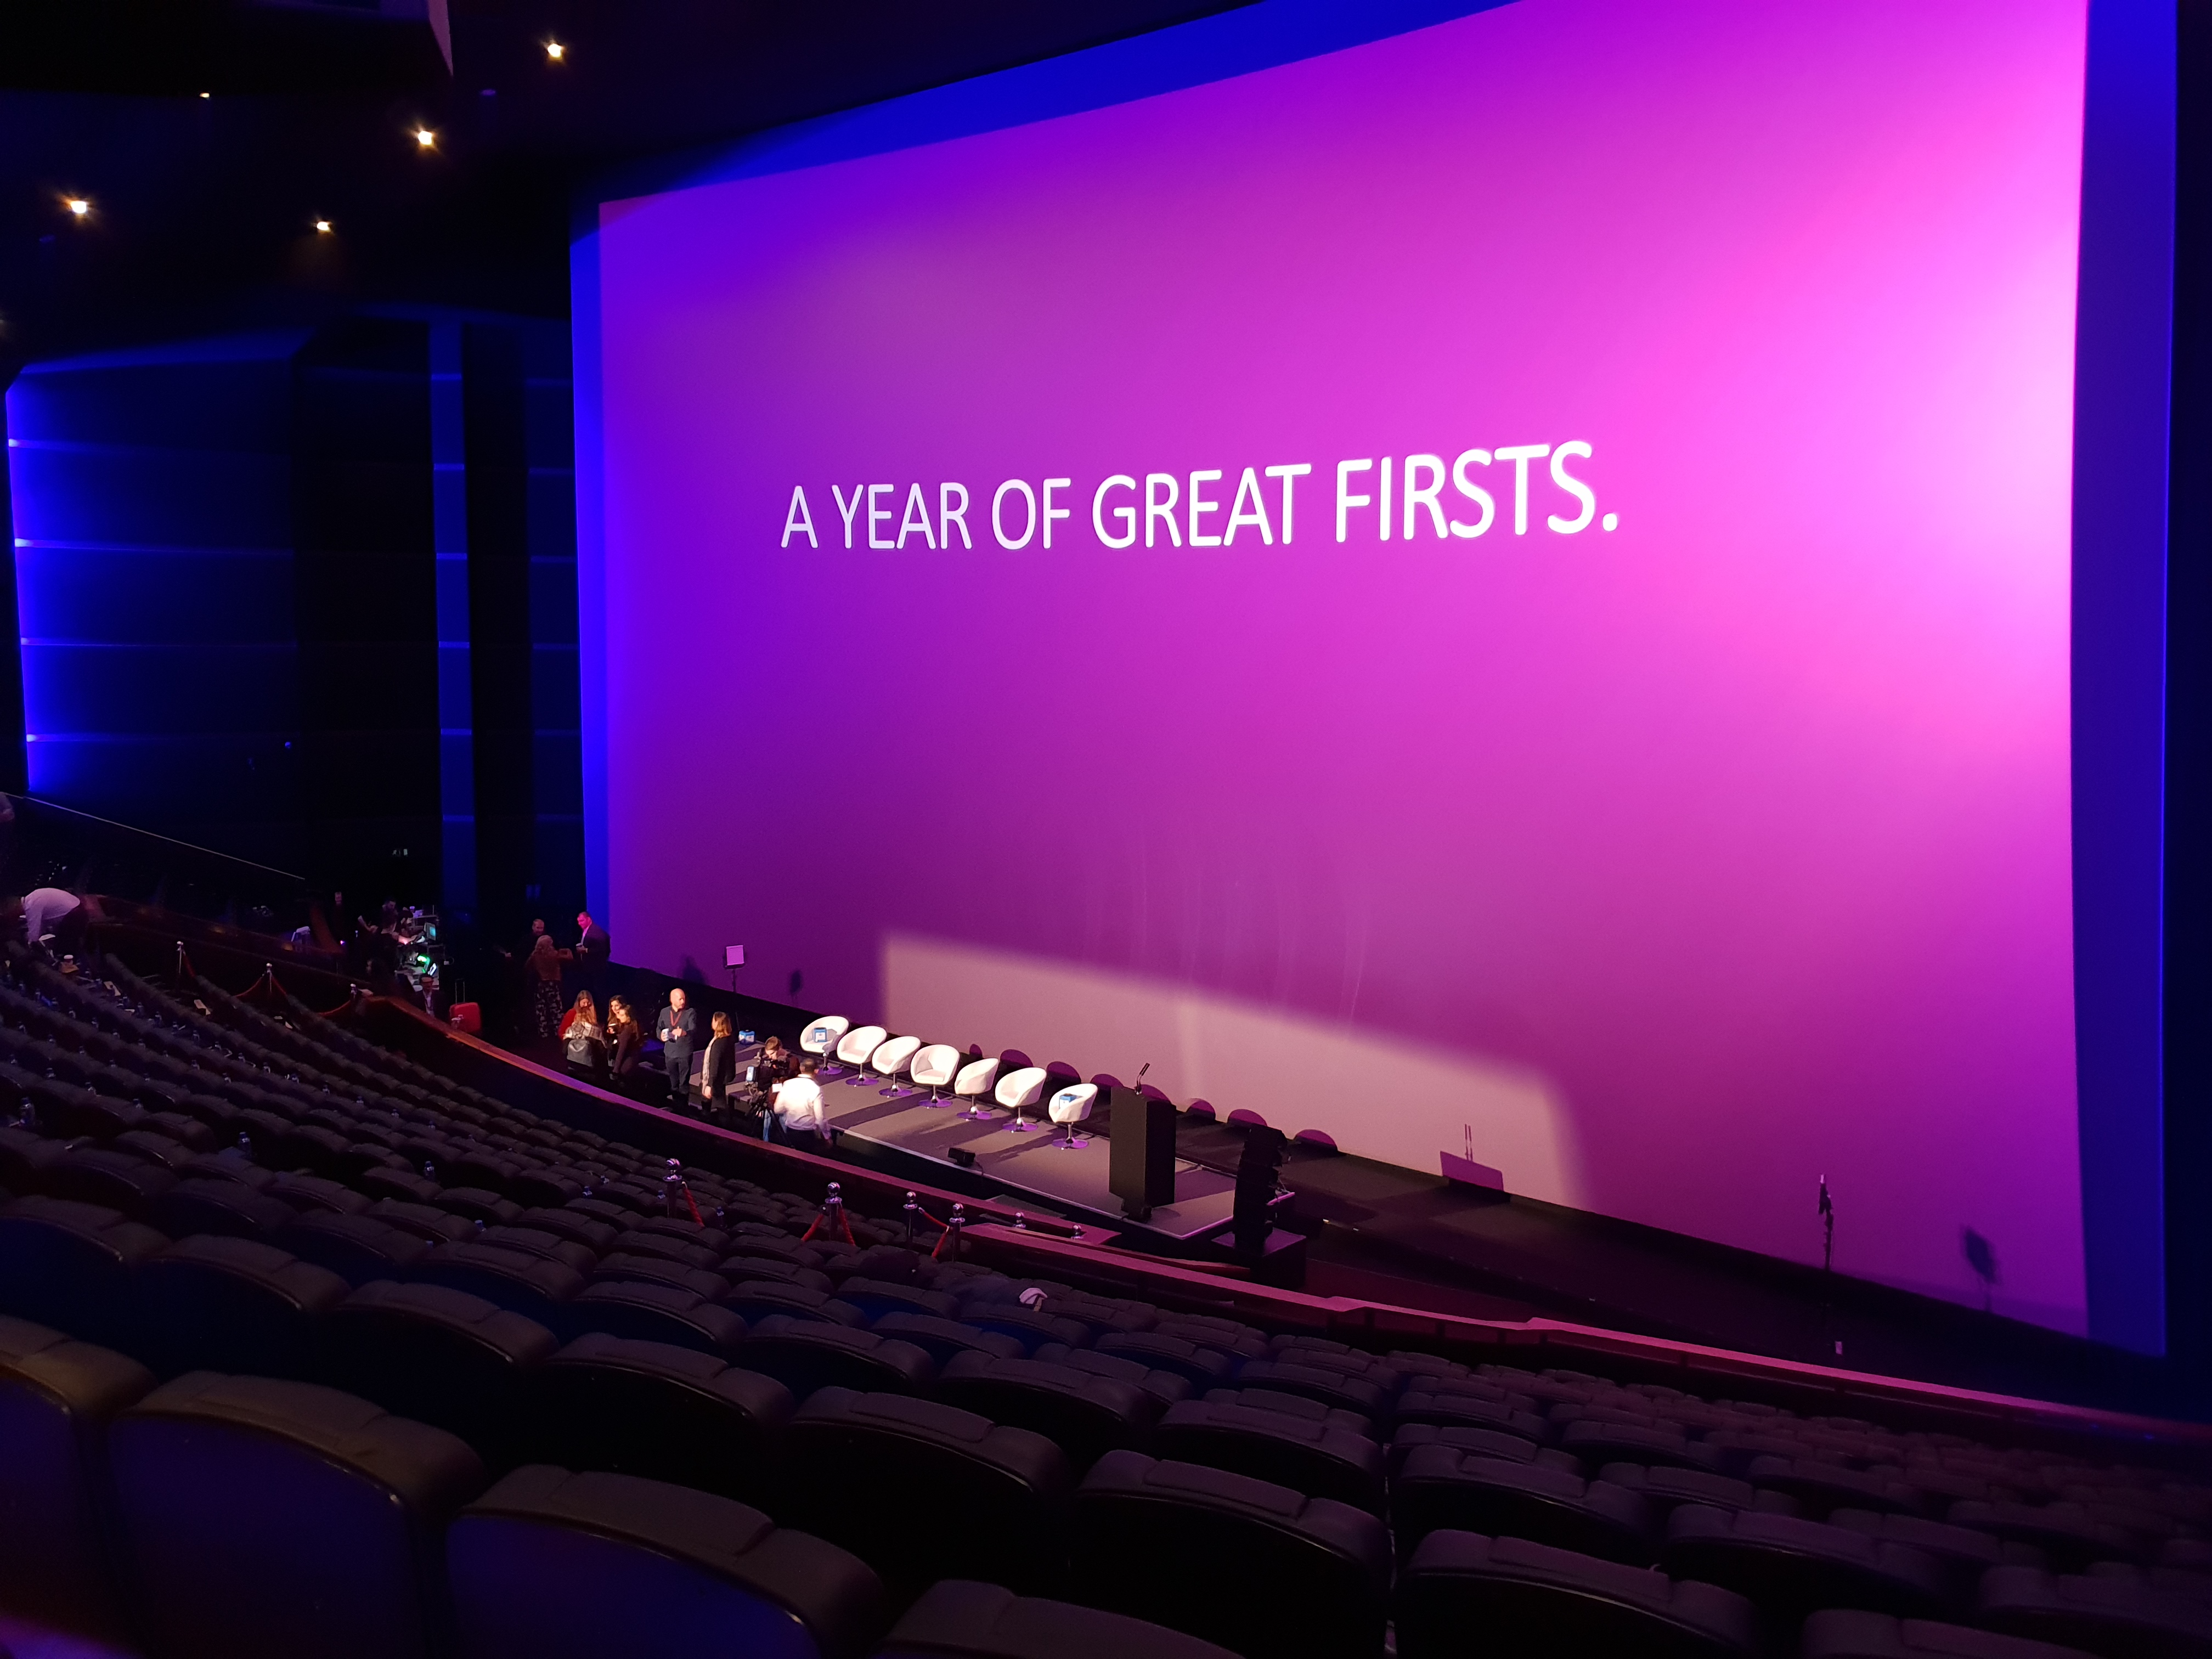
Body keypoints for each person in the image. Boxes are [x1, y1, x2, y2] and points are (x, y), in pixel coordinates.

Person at [527, 923, 572, 1040]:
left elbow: (527, 967)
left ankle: (543, 1032)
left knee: (541, 1008)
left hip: (540, 984)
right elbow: (570, 958)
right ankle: (558, 1030)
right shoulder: (554, 955)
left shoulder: (535, 955)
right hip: (552, 984)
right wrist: (566, 950)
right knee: (555, 1008)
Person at [771, 1055, 830, 1142]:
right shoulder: (816, 1089)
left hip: (790, 1131)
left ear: (801, 1069)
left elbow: (777, 1109)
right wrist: (826, 1136)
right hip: (808, 1133)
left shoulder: (787, 1084)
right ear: (816, 1071)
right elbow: (820, 1118)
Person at [15, 887, 84, 962]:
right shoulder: (33, 897)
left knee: (62, 951)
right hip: (76, 908)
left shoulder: (31, 906)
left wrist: (29, 947)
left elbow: (34, 935)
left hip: (73, 915)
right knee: (66, 947)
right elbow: (43, 924)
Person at [655, 986, 697, 1108]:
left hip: (684, 1053)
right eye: (680, 999)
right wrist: (660, 1036)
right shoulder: (664, 1012)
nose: (683, 1001)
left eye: (684, 999)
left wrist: (685, 1033)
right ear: (672, 1000)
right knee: (674, 1082)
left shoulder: (690, 1012)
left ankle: (683, 1108)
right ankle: (675, 1105)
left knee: (684, 1083)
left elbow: (693, 1029)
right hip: (670, 1052)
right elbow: (659, 1028)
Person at [698, 1010, 738, 1120]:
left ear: (718, 1023)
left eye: (713, 1020)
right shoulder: (728, 1038)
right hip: (724, 1076)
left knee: (719, 1103)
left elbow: (714, 1065)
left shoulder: (718, 1044)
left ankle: (719, 1124)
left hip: (717, 1079)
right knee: (715, 1101)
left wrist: (709, 1084)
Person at [559, 991, 605, 1078]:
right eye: (584, 1003)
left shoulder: (592, 1013)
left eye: (588, 1003)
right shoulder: (572, 1013)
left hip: (587, 1056)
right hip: (576, 1053)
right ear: (579, 1002)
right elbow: (562, 1032)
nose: (586, 1005)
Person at [606, 996, 645, 1092]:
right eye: (612, 1006)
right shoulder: (630, 1026)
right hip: (628, 1059)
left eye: (621, 1015)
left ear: (628, 1017)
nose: (618, 1017)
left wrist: (615, 1070)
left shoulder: (627, 1031)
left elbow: (622, 1051)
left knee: (623, 1085)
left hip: (627, 1061)